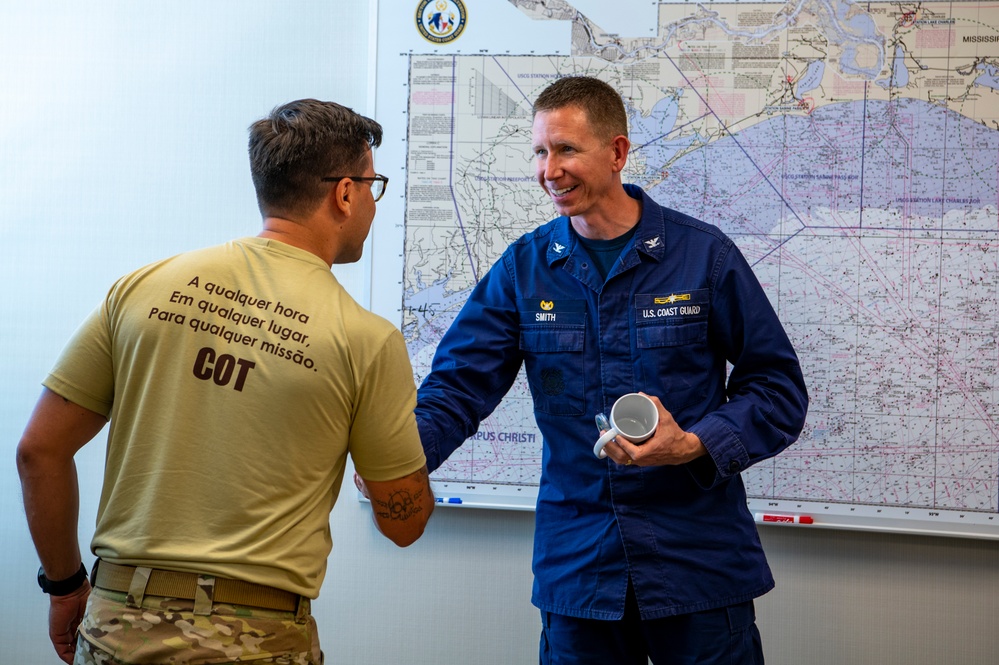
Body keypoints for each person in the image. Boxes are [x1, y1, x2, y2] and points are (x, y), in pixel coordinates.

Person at [16, 98, 435, 665]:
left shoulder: (141, 288)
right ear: (344, 193)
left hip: (115, 625)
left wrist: (65, 588)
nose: (370, 204)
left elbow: (39, 450)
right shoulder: (364, 339)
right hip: (254, 641)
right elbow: (404, 525)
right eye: (371, 186)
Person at [414, 76, 808, 664]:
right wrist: (400, 459)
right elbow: (457, 385)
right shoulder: (524, 269)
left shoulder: (705, 256)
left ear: (618, 152)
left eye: (567, 149)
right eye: (541, 152)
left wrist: (694, 444)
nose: (550, 170)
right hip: (580, 569)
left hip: (698, 563)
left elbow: (776, 388)